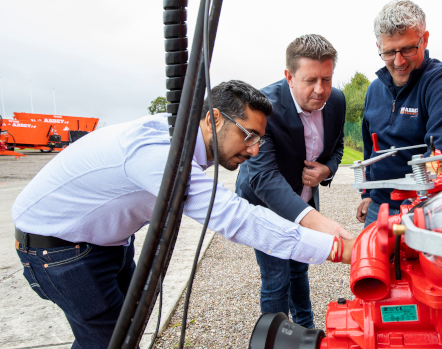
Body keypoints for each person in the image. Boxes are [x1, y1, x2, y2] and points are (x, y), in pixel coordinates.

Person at [12, 80, 353, 349]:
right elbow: (237, 218)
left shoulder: (177, 138)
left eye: (259, 140)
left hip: (103, 244)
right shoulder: (162, 154)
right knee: (109, 341)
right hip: (58, 249)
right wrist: (337, 249)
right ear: (213, 118)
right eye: (248, 135)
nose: (252, 149)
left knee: (122, 330)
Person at [235, 34, 349, 329]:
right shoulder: (262, 107)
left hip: (304, 198)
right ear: (289, 76)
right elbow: (263, 176)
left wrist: (327, 169)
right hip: (266, 202)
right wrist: (313, 221)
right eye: (311, 80)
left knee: (300, 268)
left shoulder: (337, 99)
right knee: (277, 277)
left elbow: (337, 146)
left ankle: (305, 330)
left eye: (327, 78)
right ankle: (276, 339)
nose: (321, 90)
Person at [357, 0, 442, 227]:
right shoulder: (374, 90)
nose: (399, 61)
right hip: (378, 208)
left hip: (426, 208)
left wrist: (416, 199)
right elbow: (371, 148)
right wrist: (368, 193)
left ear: (425, 39)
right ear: (378, 47)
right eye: (389, 52)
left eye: (408, 49)